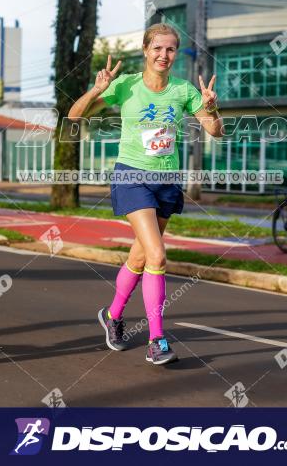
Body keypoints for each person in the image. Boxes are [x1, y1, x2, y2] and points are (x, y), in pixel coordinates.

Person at [68, 23, 223, 365]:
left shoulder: (183, 91)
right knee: (157, 255)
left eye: (170, 50)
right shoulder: (125, 86)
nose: (163, 55)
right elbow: (74, 116)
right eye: (157, 49)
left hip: (166, 180)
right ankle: (157, 340)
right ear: (145, 50)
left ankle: (112, 316)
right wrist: (97, 90)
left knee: (140, 259)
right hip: (132, 176)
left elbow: (216, 132)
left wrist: (211, 107)